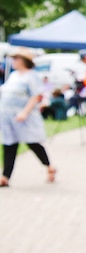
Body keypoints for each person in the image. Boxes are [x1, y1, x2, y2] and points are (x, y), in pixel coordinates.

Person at [0, 47, 57, 186]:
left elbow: (35, 96)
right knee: (9, 145)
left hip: (23, 116)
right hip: (8, 116)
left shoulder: (32, 76)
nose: (13, 61)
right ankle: (5, 176)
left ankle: (49, 166)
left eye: (16, 58)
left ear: (24, 60)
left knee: (32, 143)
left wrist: (24, 112)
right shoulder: (13, 75)